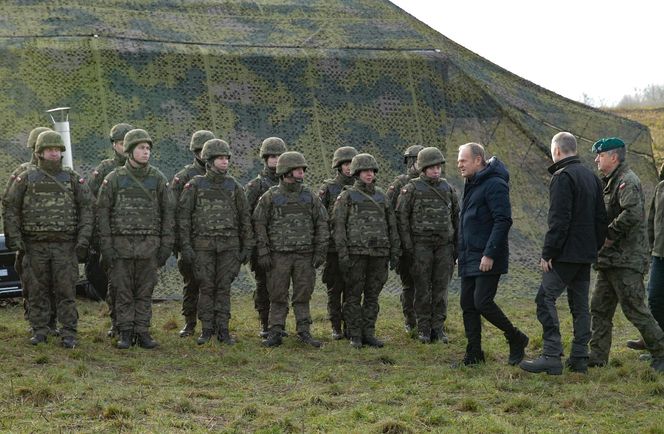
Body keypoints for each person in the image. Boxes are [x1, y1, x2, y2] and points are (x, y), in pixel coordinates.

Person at [519, 132, 607, 375]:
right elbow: (602, 220)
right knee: (579, 306)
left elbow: (559, 221)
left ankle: (551, 354)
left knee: (544, 299)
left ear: (557, 151)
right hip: (585, 254)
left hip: (565, 254)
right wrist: (593, 247)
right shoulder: (592, 177)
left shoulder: (562, 176)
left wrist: (548, 253)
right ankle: (579, 357)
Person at [4, 130, 93, 348]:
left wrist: (82, 240)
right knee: (37, 291)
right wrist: (15, 239)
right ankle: (40, 330)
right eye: (49, 150)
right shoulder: (26, 177)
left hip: (65, 246)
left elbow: (87, 209)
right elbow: (11, 207)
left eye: (57, 149)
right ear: (40, 153)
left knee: (66, 291)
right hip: (35, 246)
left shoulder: (72, 178)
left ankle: (69, 333)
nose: (54, 153)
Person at [587, 137, 664, 372]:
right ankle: (598, 357)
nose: (596, 159)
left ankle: (660, 352)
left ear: (614, 157)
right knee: (599, 307)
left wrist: (609, 235)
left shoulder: (627, 181)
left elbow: (632, 213)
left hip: (626, 259)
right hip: (609, 259)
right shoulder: (611, 182)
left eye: (600, 155)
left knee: (635, 309)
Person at [96, 128, 174, 349]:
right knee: (122, 291)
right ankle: (125, 332)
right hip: (120, 247)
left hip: (148, 247)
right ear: (129, 151)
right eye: (141, 148)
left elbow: (168, 214)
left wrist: (165, 246)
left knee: (144, 291)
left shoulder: (158, 179)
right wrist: (106, 247)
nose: (146, 152)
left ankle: (142, 331)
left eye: (148, 148)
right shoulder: (113, 179)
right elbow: (102, 214)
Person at [456, 142, 528, 366]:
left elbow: (503, 220)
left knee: (482, 302)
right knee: (467, 303)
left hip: (487, 257)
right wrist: (462, 252)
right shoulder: (472, 183)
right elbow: (467, 221)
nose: (459, 165)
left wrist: (489, 254)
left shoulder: (495, 184)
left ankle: (516, 337)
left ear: (478, 160)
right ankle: (474, 354)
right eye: (458, 161)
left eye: (463, 160)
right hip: (470, 255)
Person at [177, 139, 254, 345]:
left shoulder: (234, 186)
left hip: (229, 247)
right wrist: (185, 246)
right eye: (220, 158)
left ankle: (223, 330)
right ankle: (206, 329)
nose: (225, 161)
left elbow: (244, 218)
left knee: (223, 288)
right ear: (209, 161)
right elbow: (184, 217)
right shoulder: (194, 185)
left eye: (226, 158)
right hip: (202, 247)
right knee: (206, 287)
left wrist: (247, 246)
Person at [253, 151, 328, 348]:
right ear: (286, 171)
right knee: (277, 295)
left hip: (305, 255)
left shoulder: (309, 196)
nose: (301, 172)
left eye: (302, 169)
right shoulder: (270, 197)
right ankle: (275, 331)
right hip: (279, 256)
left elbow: (322, 223)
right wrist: (263, 251)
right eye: (297, 169)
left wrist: (320, 250)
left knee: (303, 295)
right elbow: (259, 224)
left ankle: (304, 331)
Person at [334, 153, 400, 348]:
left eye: (371, 171)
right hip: (356, 253)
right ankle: (354, 334)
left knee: (372, 295)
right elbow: (338, 226)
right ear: (357, 173)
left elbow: (392, 225)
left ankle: (368, 332)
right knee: (353, 295)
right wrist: (343, 254)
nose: (369, 174)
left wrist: (394, 251)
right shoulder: (347, 196)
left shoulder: (382, 196)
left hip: (379, 254)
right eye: (365, 171)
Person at [396, 147, 458, 344]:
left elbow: (456, 217)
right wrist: (408, 247)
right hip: (420, 246)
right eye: (431, 167)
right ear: (422, 168)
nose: (436, 171)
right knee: (421, 289)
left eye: (438, 166)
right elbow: (402, 218)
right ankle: (423, 328)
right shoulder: (411, 189)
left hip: (444, 246)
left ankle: (438, 329)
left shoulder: (447, 188)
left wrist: (456, 247)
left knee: (440, 290)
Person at [2, 126, 54, 328]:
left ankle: (52, 322)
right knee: (32, 284)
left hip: (54, 241)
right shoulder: (22, 172)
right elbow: (9, 205)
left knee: (56, 284)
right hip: (29, 241)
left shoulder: (60, 174)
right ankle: (36, 322)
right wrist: (15, 238)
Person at [88, 122, 134, 337]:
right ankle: (118, 322)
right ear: (114, 145)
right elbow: (91, 201)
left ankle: (137, 324)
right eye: (121, 143)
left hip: (138, 237)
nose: (125, 147)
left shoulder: (147, 171)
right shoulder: (105, 169)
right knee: (114, 283)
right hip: (112, 237)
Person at [171, 130, 216, 338]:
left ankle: (213, 322)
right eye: (200, 150)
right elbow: (173, 211)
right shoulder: (183, 177)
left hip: (213, 241)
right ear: (195, 151)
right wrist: (178, 243)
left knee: (213, 284)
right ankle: (190, 322)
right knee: (191, 284)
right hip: (189, 240)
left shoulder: (220, 177)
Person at [245, 137, 287, 338]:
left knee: (281, 287)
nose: (276, 160)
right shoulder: (256, 185)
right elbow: (246, 216)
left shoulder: (289, 184)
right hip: (262, 246)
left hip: (284, 246)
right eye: (272, 156)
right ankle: (264, 323)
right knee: (263, 286)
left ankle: (278, 325)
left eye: (279, 156)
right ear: (265, 158)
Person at [318, 146, 358, 339]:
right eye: (345, 163)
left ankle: (350, 326)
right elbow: (320, 216)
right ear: (338, 166)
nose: (349, 167)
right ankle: (336, 326)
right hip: (333, 249)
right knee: (335, 289)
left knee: (353, 289)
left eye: (352, 163)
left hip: (356, 247)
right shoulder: (329, 188)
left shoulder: (362, 189)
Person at [626, 167, 664, 351]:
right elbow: (652, 220)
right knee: (655, 298)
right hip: (659, 253)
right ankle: (654, 342)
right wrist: (649, 247)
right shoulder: (661, 188)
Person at [387, 145, 424, 333]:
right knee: (409, 284)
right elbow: (389, 213)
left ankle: (427, 321)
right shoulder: (400, 183)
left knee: (427, 284)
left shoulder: (434, 183)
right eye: (418, 160)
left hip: (426, 243)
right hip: (405, 244)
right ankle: (411, 320)